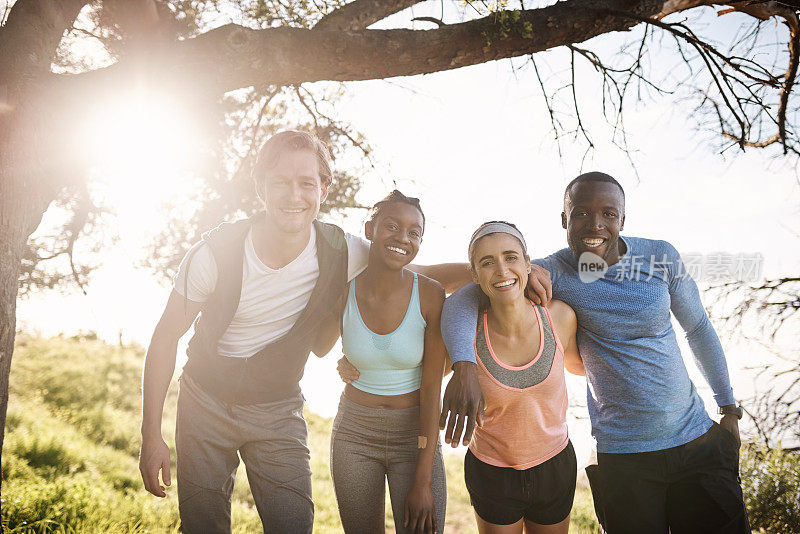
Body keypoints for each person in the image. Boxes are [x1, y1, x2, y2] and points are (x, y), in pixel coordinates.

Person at [138, 130, 549, 532]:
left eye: (305, 183)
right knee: (203, 522)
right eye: (280, 182)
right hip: (204, 400)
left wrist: (502, 272)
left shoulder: (341, 250)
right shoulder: (214, 253)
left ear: (324, 188)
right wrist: (150, 434)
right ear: (260, 186)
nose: (293, 196)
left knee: (293, 522)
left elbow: (412, 272)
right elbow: (164, 338)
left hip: (276, 406)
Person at [439, 172, 750, 534]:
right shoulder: (551, 270)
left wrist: (728, 408)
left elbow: (698, 329)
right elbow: (468, 295)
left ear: (622, 219)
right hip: (624, 455)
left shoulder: (660, 256)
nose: (596, 224)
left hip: (698, 441)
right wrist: (463, 366)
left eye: (608, 214)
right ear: (564, 219)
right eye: (581, 213)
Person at [315, 190, 448, 534]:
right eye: (392, 226)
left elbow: (432, 388)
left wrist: (423, 480)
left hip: (413, 433)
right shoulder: (343, 289)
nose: (402, 238)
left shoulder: (431, 294)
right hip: (354, 434)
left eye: (413, 232)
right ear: (370, 229)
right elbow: (318, 347)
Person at [461, 221, 583, 534]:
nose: (502, 270)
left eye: (511, 257)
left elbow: (583, 368)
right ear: (474, 274)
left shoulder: (560, 317)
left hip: (554, 464)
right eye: (487, 262)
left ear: (529, 264)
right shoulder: (465, 334)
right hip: (491, 469)